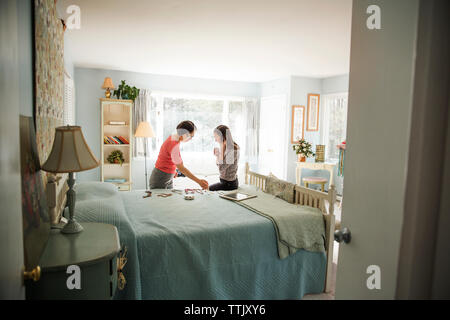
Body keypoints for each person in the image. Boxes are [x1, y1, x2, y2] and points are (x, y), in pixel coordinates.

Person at [149, 120, 209, 190]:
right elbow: (182, 168)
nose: (190, 139)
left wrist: (174, 170)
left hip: (167, 176)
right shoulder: (173, 143)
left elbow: (168, 158)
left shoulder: (174, 139)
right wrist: (199, 181)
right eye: (191, 136)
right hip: (160, 178)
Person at [209, 125, 240, 191]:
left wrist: (221, 149)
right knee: (207, 189)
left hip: (230, 184)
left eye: (216, 137)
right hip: (224, 182)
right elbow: (219, 165)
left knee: (207, 189)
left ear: (222, 136)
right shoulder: (225, 147)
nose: (215, 140)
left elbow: (221, 168)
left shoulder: (232, 150)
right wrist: (218, 155)